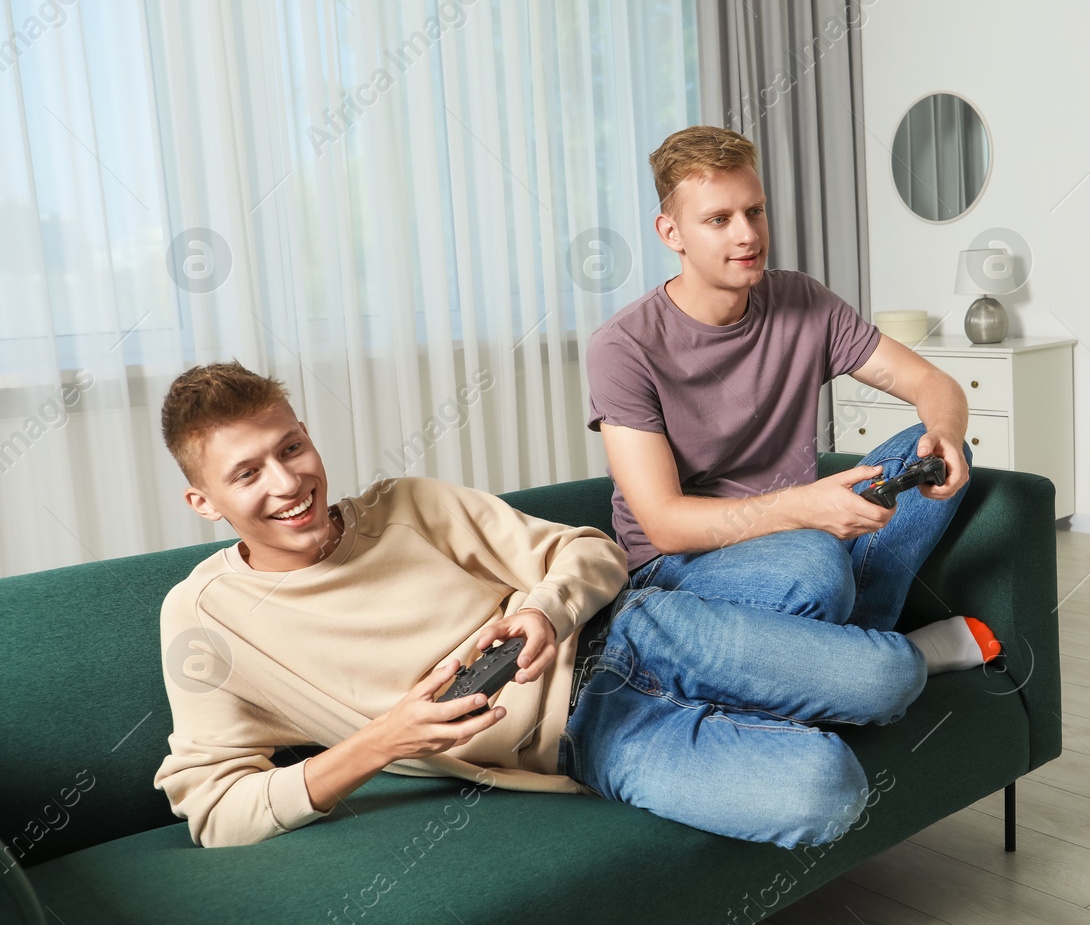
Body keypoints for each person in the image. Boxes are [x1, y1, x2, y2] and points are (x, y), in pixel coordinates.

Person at [152, 362, 915, 850]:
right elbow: (217, 810)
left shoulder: (406, 505)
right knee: (828, 791)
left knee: (884, 667)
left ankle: (855, 662)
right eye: (246, 472)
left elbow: (590, 553)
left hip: (634, 631)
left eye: (291, 448)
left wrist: (546, 610)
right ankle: (807, 674)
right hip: (589, 741)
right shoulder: (203, 620)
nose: (287, 483)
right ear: (203, 501)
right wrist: (381, 741)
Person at [587, 125, 999, 671]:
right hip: (678, 568)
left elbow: (932, 384)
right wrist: (806, 510)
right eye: (718, 219)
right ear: (672, 233)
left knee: (933, 458)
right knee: (816, 567)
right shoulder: (623, 346)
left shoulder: (801, 300)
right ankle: (901, 654)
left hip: (800, 532)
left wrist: (944, 432)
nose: (747, 235)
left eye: (754, 211)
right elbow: (665, 524)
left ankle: (852, 649)